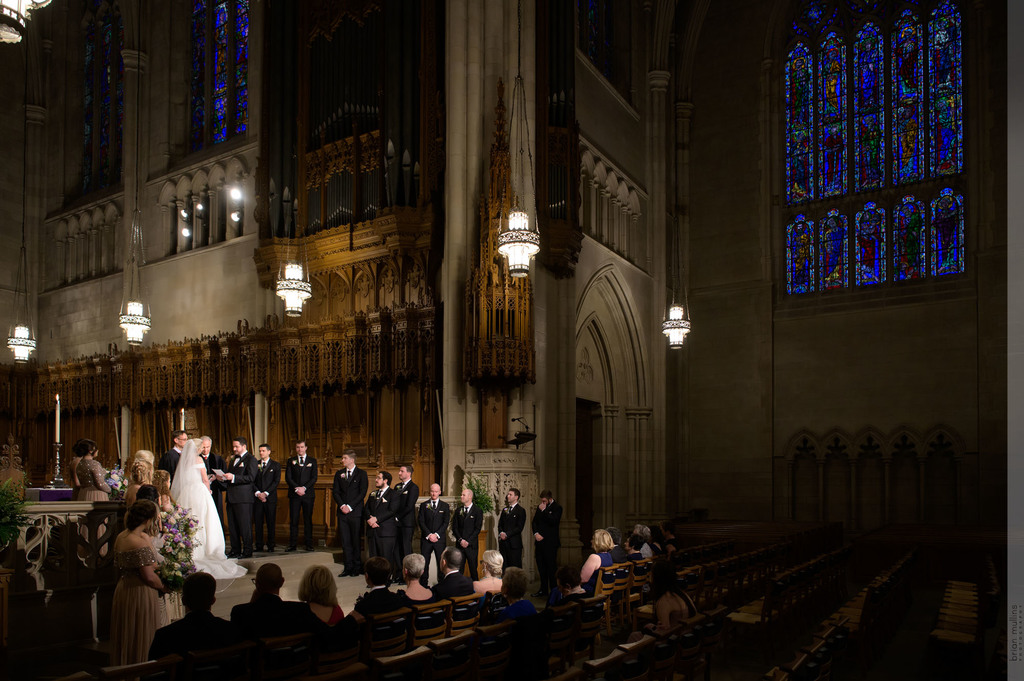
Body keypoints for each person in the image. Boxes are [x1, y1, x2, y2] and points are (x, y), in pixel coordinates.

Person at [170, 438, 247, 579]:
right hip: (199, 492)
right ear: (198, 448)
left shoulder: (185, 460)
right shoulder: (198, 460)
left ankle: (187, 548)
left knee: (189, 519)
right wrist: (209, 490)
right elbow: (205, 480)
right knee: (204, 520)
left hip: (186, 492)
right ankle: (206, 550)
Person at [109, 501, 167, 665]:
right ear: (149, 520)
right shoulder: (139, 542)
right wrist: (165, 587)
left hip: (124, 588)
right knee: (141, 632)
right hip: (140, 591)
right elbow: (148, 576)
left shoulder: (123, 536)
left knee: (127, 631)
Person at [148, 572, 242, 660]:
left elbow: (151, 674)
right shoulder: (229, 630)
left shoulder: (165, 636)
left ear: (183, 600)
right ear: (213, 600)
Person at [230, 563, 323, 639]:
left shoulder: (240, 612)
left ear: (257, 584)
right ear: (282, 582)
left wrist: (252, 603)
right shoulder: (300, 610)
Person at [628, 559, 697, 642]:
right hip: (688, 636)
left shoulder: (664, 600)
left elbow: (663, 634)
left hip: (675, 642)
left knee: (634, 636)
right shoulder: (681, 593)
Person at [216, 436, 258, 559]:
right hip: (231, 497)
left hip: (244, 498)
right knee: (233, 526)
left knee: (244, 526)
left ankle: (247, 551)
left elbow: (251, 477)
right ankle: (235, 550)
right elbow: (231, 478)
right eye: (233, 446)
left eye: (236, 446)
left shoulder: (251, 459)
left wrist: (233, 477)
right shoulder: (234, 459)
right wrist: (222, 478)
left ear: (244, 446)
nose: (234, 449)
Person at [331, 449, 367, 576]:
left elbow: (362, 493)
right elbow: (335, 492)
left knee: (355, 540)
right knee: (345, 541)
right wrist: (342, 505)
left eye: (344, 458)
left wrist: (350, 506)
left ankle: (357, 567)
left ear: (351, 460)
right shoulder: (339, 473)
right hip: (342, 512)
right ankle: (348, 566)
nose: (342, 460)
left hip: (355, 512)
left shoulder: (362, 474)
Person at [286, 440, 317, 552]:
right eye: (298, 447)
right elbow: (288, 478)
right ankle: (292, 544)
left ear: (306, 448)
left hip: (307, 494)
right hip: (294, 494)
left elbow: (314, 477)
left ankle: (309, 544)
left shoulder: (312, 461)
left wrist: (304, 488)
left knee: (307, 519)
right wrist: (297, 488)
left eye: (302, 447)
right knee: (294, 520)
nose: (300, 449)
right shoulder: (291, 461)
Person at [365, 470, 399, 568]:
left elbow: (392, 511)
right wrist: (369, 520)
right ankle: (374, 581)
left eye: (378, 478)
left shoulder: (394, 494)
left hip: (386, 532)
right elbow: (366, 508)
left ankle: (386, 581)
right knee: (373, 560)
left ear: (385, 480)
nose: (376, 480)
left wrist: (376, 519)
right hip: (372, 530)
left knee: (386, 560)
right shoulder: (373, 494)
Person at [531, 490, 562, 597]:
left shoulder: (557, 508)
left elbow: (553, 522)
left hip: (550, 543)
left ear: (549, 499)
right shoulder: (540, 507)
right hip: (539, 542)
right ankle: (543, 590)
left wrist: (544, 511)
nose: (542, 503)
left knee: (551, 568)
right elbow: (534, 522)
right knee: (541, 567)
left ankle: (554, 591)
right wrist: (535, 533)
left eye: (544, 501)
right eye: (542, 501)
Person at [418, 483, 449, 586]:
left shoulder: (445, 506)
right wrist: (429, 535)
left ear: (439, 492)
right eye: (432, 491)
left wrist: (436, 535)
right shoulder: (423, 505)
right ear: (430, 492)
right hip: (426, 539)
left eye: (436, 491)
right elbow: (421, 521)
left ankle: (441, 585)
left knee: (441, 563)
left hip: (439, 540)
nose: (434, 493)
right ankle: (423, 585)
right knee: (424, 563)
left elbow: (446, 523)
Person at [393, 464, 419, 580]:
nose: (399, 473)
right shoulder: (397, 486)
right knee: (397, 549)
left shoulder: (413, 487)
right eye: (399, 471)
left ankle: (408, 575)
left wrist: (397, 516)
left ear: (408, 473)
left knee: (406, 548)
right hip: (396, 523)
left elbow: (409, 506)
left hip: (407, 523)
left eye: (401, 471)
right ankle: (399, 574)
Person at [254, 443, 280, 552]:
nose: (261, 453)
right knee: (258, 523)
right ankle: (259, 545)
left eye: (263, 451)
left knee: (270, 522)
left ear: (269, 452)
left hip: (270, 498)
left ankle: (271, 545)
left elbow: (276, 481)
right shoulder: (255, 464)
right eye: (260, 451)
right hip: (258, 498)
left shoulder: (275, 465)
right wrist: (258, 493)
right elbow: (253, 480)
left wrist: (266, 493)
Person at [451, 488, 482, 580]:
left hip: (471, 546)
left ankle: (476, 590)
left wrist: (468, 541)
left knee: (473, 569)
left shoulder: (477, 511)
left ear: (470, 496)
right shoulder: (458, 510)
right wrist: (460, 540)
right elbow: (454, 527)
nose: (461, 496)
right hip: (460, 545)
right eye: (461, 494)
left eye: (463, 495)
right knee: (459, 570)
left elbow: (477, 529)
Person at [198, 436, 226, 528]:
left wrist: (218, 478)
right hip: (200, 490)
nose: (205, 450)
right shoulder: (196, 458)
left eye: (208, 447)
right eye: (203, 447)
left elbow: (225, 477)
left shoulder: (218, 459)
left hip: (215, 490)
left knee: (216, 512)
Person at [497, 488, 526, 569]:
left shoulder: (521, 510)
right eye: (508, 494)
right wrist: (501, 533)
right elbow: (500, 525)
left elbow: (519, 527)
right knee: (504, 567)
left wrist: (507, 534)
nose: (508, 496)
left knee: (514, 568)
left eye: (510, 494)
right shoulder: (505, 509)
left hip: (514, 545)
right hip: (504, 543)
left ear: (516, 497)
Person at [580, 529, 615, 593]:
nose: (591, 541)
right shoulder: (608, 556)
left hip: (590, 593)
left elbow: (583, 579)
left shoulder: (594, 557)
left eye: (593, 539)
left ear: (598, 542)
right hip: (603, 593)